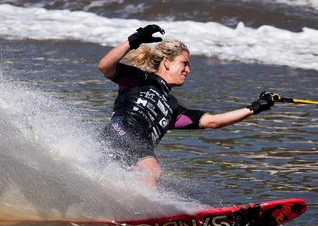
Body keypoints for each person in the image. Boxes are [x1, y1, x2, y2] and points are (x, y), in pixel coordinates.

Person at [98, 24, 274, 189]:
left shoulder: (173, 108)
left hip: (131, 148)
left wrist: (255, 107)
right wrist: (133, 41)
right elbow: (105, 66)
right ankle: (141, 215)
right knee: (152, 171)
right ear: (167, 62)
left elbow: (214, 121)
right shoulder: (139, 80)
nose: (188, 70)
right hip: (120, 131)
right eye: (185, 63)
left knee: (115, 182)